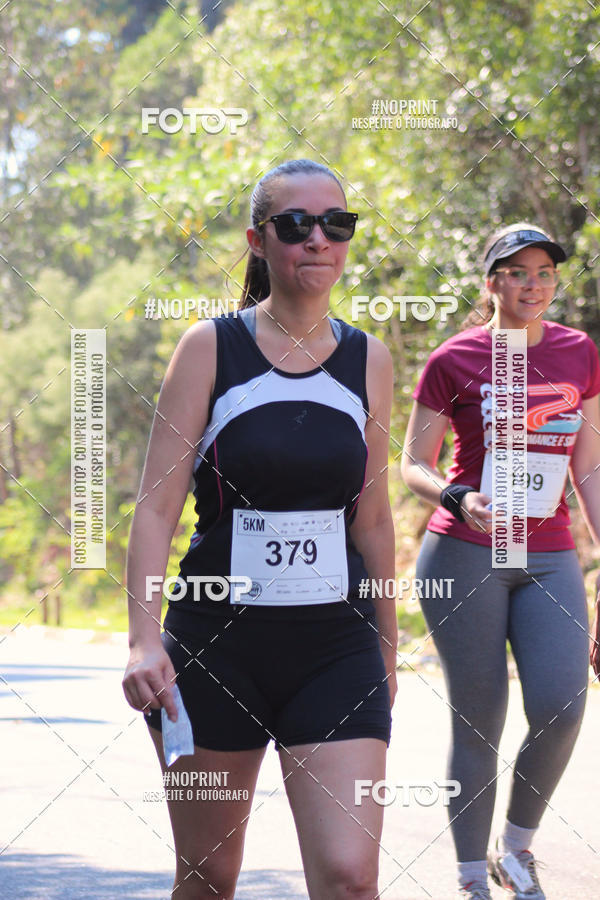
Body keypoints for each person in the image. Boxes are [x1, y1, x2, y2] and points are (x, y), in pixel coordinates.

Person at [122, 159, 398, 900]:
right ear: (258, 239)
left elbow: (373, 518)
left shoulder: (370, 359)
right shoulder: (210, 348)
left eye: (335, 224)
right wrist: (143, 638)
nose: (318, 239)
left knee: (349, 878)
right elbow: (155, 506)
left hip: (334, 649)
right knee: (210, 877)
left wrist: (388, 646)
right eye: (296, 225)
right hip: (217, 648)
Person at [401, 222, 600, 900]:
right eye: (517, 273)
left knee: (563, 704)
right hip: (465, 552)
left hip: (548, 553)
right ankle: (468, 876)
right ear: (492, 283)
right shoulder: (454, 358)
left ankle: (515, 849)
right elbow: (412, 464)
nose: (534, 284)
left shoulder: (579, 352)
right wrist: (459, 497)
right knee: (478, 718)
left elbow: (591, 466)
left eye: (545, 272)